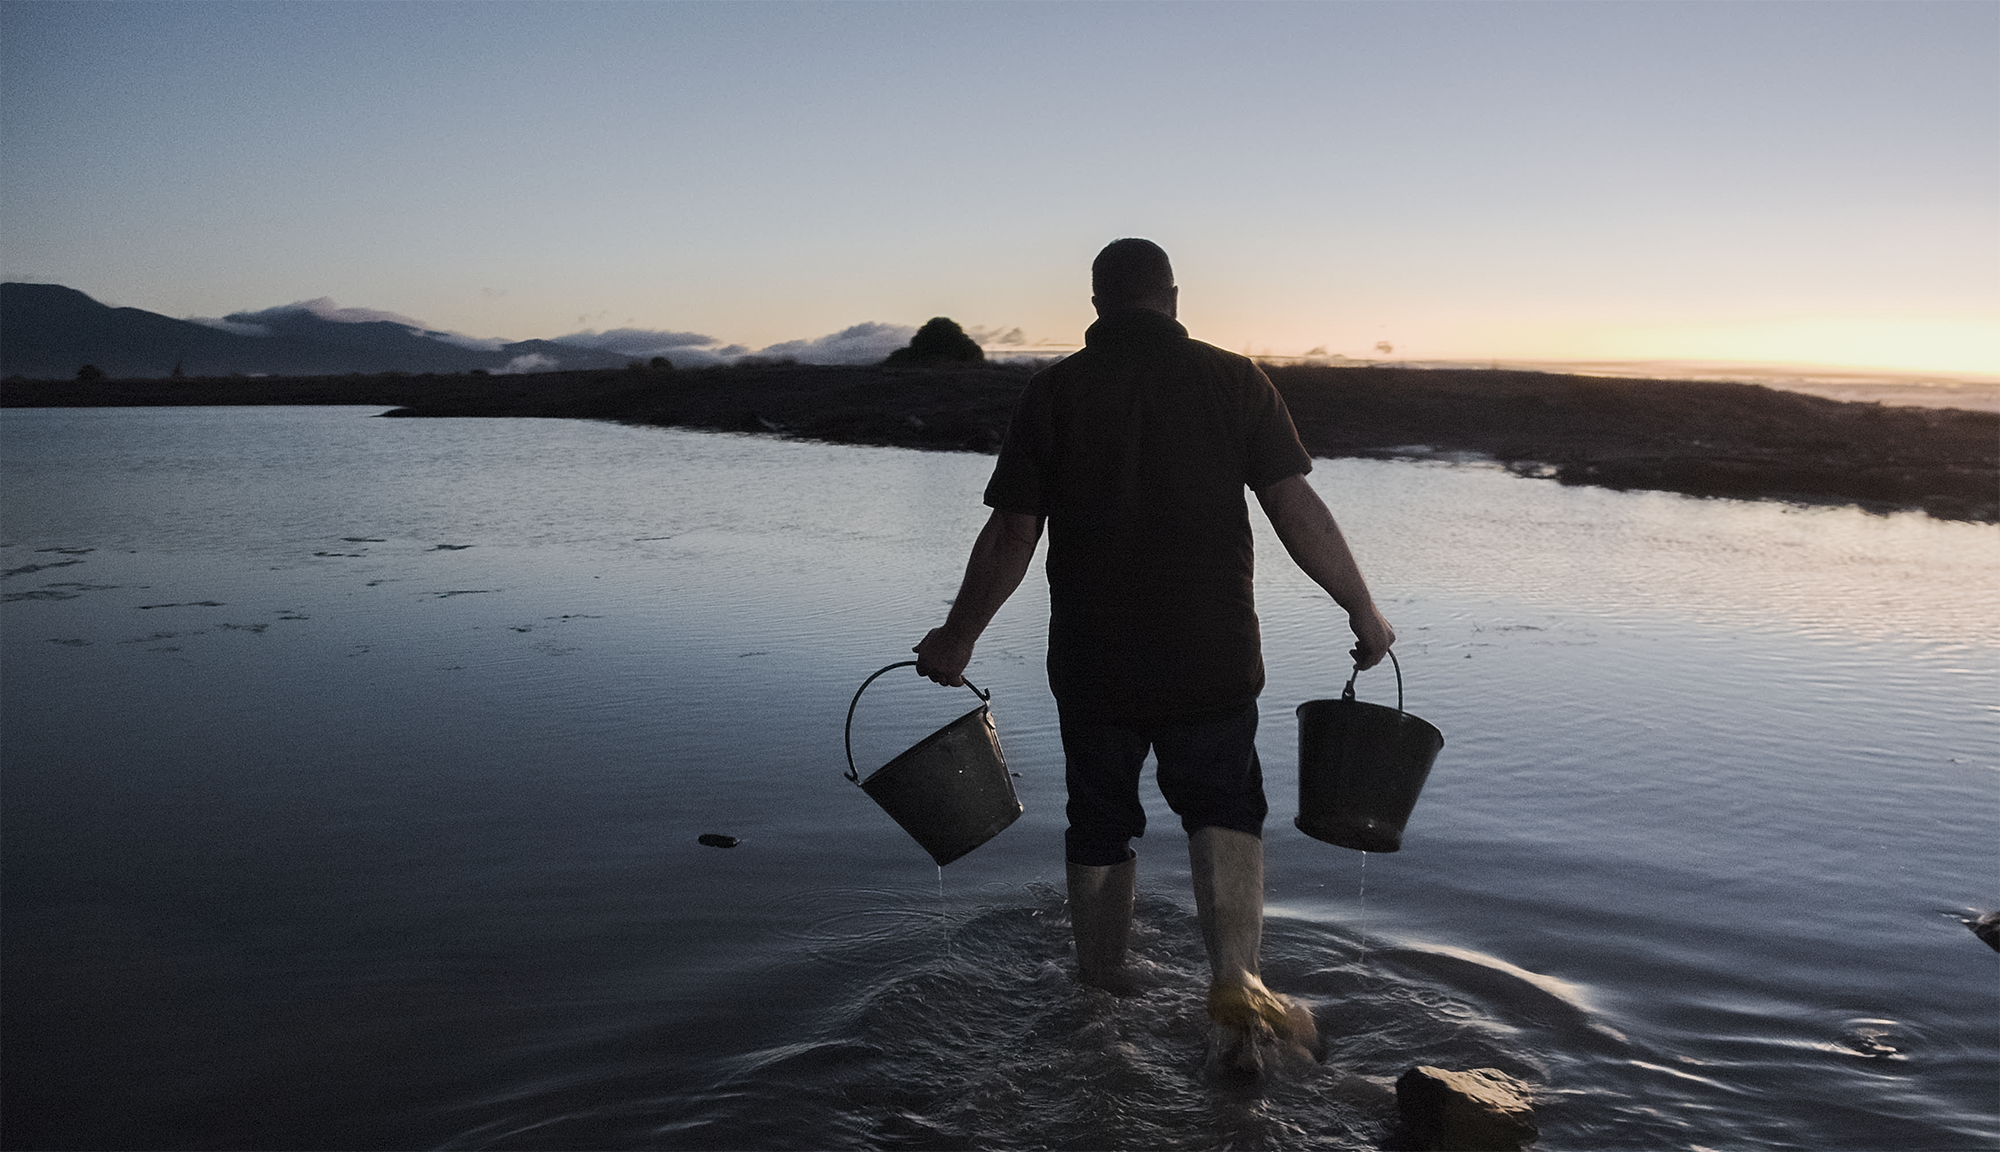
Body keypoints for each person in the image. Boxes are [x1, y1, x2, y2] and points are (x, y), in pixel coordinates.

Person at [913, 238, 1394, 1074]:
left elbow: (1012, 533)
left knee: (1100, 820)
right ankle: (1237, 984)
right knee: (1224, 808)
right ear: (1172, 297)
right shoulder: (1234, 379)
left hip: (1096, 665)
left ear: (1097, 306)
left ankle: (1100, 995)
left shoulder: (1054, 391)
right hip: (1211, 658)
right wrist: (1363, 608)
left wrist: (958, 638)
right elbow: (1293, 505)